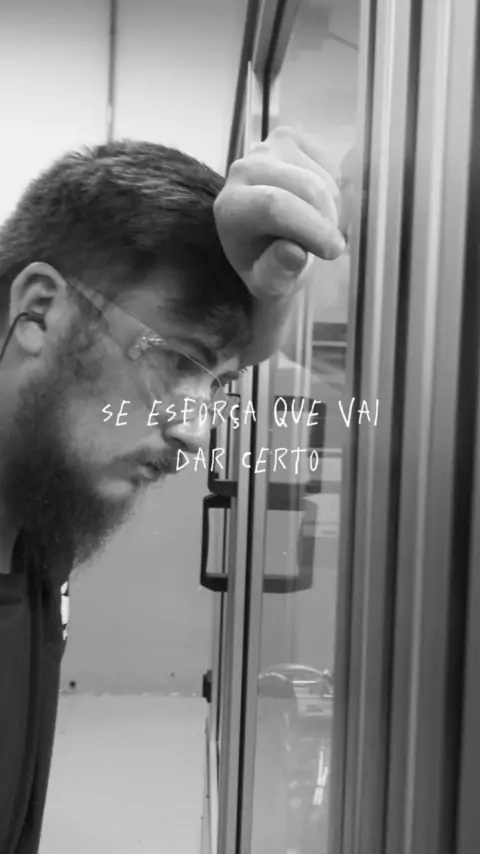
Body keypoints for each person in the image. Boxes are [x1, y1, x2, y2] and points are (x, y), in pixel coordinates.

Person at [0, 125, 345, 853]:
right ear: (39, 309)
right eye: (179, 362)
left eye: (216, 385)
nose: (195, 431)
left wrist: (274, 286)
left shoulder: (37, 522)